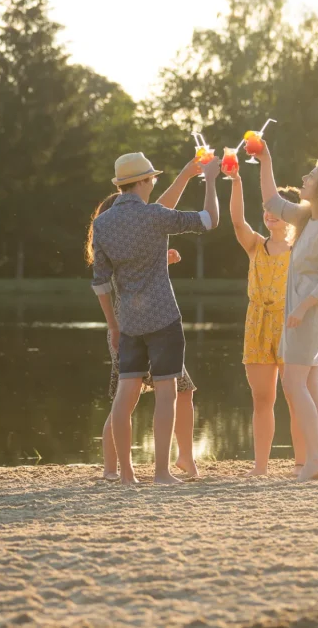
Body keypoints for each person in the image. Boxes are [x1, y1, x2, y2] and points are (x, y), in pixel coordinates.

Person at [90, 152, 221, 485]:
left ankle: (126, 475)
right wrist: (211, 180)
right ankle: (162, 472)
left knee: (125, 395)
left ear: (121, 185)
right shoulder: (154, 216)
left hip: (128, 322)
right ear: (145, 182)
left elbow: (101, 283)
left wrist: (113, 326)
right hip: (163, 317)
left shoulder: (102, 224)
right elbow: (209, 220)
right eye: (153, 180)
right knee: (167, 394)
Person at [257, 141, 318, 482]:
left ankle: (314, 458)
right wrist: (266, 158)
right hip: (303, 314)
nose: (304, 178)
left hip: (308, 315)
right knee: (311, 385)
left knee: (294, 383)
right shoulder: (308, 218)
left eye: (311, 176)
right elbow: (271, 200)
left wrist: (299, 310)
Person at [221, 162, 304, 476]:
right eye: (267, 210)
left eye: (275, 210)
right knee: (261, 398)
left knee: (295, 397)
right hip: (256, 324)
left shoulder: (300, 249)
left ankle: (301, 464)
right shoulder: (256, 244)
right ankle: (260, 467)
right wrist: (237, 181)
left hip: (290, 325)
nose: (269, 214)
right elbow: (236, 220)